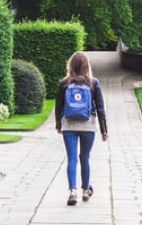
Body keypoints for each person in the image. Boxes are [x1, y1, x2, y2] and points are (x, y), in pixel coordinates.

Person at [55, 51, 108, 206]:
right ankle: (86, 190)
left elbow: (58, 107)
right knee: (84, 158)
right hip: (88, 125)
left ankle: (73, 191)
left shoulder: (64, 83)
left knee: (71, 158)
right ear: (87, 66)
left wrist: (59, 124)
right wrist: (104, 130)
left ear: (70, 65)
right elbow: (100, 108)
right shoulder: (93, 83)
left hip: (69, 125)